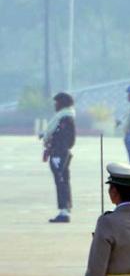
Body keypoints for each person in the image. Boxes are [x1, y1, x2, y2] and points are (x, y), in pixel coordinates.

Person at [40, 92, 76, 223]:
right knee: (62, 181)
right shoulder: (63, 118)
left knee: (61, 182)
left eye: (57, 102)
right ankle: (64, 209)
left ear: (62, 103)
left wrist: (55, 148)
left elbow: (68, 140)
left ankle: (64, 211)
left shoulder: (65, 118)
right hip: (59, 153)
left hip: (59, 154)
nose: (55, 105)